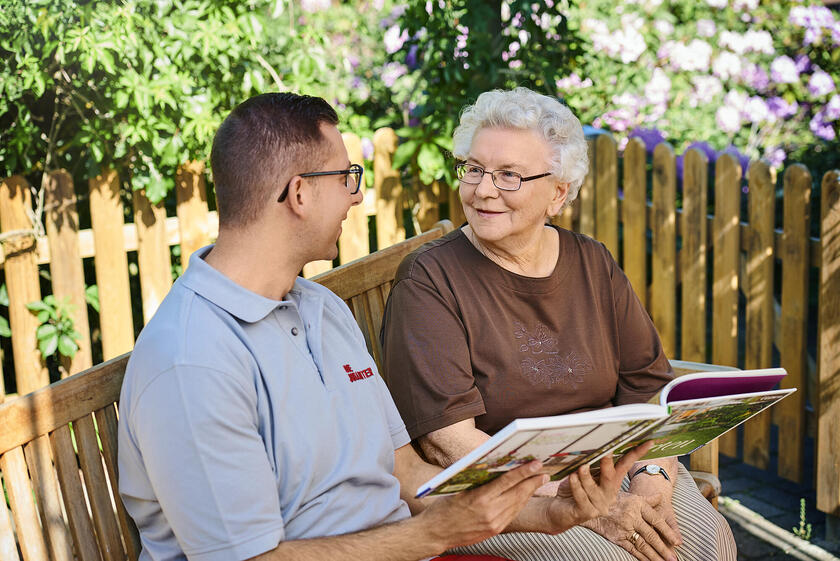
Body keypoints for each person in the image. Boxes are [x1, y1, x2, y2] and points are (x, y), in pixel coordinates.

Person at [116, 92, 650, 561]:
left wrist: (554, 514)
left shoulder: (322, 310)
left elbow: (409, 476)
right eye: (347, 178)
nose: (357, 196)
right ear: (299, 194)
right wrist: (435, 534)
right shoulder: (192, 361)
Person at [380, 87, 737, 561]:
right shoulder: (431, 280)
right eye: (475, 169)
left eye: (509, 175)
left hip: (615, 463)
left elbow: (648, 384)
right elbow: (450, 442)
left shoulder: (592, 261)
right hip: (501, 488)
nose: (484, 189)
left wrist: (652, 480)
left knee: (708, 545)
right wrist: (575, 503)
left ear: (558, 193)